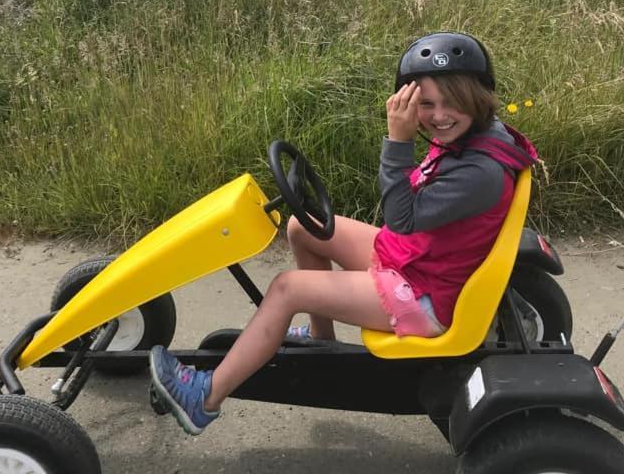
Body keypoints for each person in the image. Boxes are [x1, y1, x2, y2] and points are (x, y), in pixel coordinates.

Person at [149, 32, 538, 435]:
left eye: (452, 102)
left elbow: (401, 216)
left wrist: (399, 140)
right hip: (420, 258)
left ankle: (203, 399)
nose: (440, 115)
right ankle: (323, 340)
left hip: (424, 295)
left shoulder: (479, 173)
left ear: (478, 96)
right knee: (304, 227)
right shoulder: (477, 136)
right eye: (426, 103)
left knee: (286, 289)